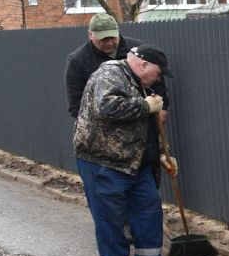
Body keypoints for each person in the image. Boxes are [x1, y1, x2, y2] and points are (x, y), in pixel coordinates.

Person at [72, 45, 181, 256]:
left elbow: (145, 126)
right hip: (103, 160)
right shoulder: (109, 74)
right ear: (143, 65)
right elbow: (107, 107)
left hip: (135, 160)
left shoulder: (138, 82)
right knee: (109, 216)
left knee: (148, 208)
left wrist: (163, 153)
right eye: (158, 73)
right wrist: (145, 106)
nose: (159, 78)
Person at [66, 12, 166, 183]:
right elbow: (77, 106)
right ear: (91, 35)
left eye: (113, 37)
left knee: (146, 204)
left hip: (141, 144)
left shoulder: (137, 51)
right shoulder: (78, 61)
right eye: (104, 39)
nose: (110, 42)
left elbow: (156, 81)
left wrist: (162, 106)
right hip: (106, 154)